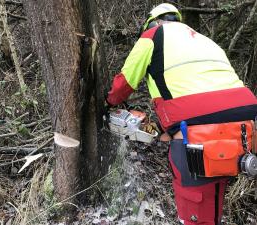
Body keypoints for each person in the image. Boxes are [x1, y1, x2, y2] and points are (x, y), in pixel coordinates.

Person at [105, 3, 257, 225]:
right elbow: (199, 87)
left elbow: (124, 83)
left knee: (197, 207)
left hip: (201, 134)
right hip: (247, 124)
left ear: (151, 22)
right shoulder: (204, 40)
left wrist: (108, 102)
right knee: (218, 186)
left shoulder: (152, 35)